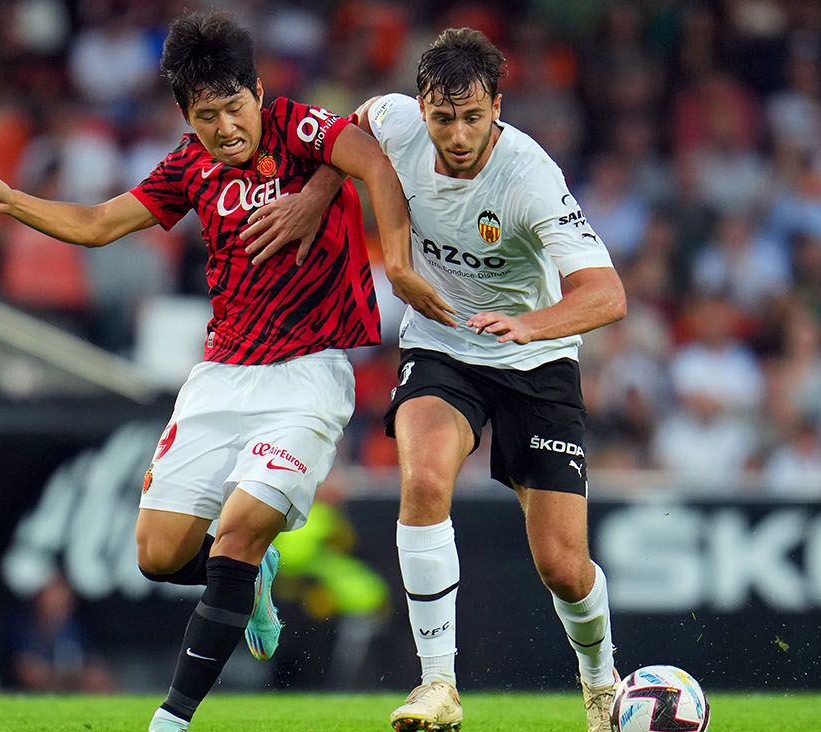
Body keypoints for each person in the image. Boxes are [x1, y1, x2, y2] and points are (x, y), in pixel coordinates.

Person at [0, 12, 434, 732]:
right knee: (157, 555)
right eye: (206, 115)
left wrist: (386, 254)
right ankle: (251, 581)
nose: (226, 127)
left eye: (235, 106)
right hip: (219, 377)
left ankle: (171, 720)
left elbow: (371, 156)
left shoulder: (297, 128)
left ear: (258, 90)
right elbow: (96, 226)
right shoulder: (189, 164)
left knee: (239, 530)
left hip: (308, 377)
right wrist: (11, 200)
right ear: (185, 113)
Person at [254, 28, 627, 732]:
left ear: (498, 108)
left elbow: (607, 295)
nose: (456, 135)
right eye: (443, 117)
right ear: (423, 106)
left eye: (473, 117)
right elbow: (355, 125)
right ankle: (437, 686)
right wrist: (319, 193)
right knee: (423, 481)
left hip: (534, 361)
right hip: (443, 343)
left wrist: (533, 324)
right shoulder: (397, 120)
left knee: (563, 567)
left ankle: (601, 682)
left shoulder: (529, 177)